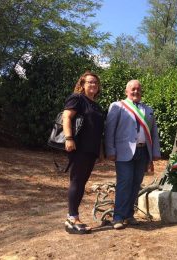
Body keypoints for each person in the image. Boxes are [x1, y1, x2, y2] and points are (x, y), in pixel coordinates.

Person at [105, 80, 161, 229]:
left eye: (138, 89)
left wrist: (155, 152)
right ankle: (117, 217)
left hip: (143, 152)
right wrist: (110, 150)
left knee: (136, 184)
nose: (136, 92)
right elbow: (110, 130)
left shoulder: (148, 109)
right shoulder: (117, 106)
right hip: (124, 152)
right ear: (126, 91)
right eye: (133, 89)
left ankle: (129, 215)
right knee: (125, 182)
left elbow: (154, 132)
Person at [63, 71, 105, 234]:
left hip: (91, 150)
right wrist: (69, 138)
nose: (93, 85)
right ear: (82, 84)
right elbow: (66, 117)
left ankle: (73, 217)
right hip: (79, 147)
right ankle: (72, 218)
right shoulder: (77, 98)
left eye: (95, 82)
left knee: (81, 182)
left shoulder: (96, 105)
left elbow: (98, 131)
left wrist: (100, 151)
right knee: (77, 181)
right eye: (89, 82)